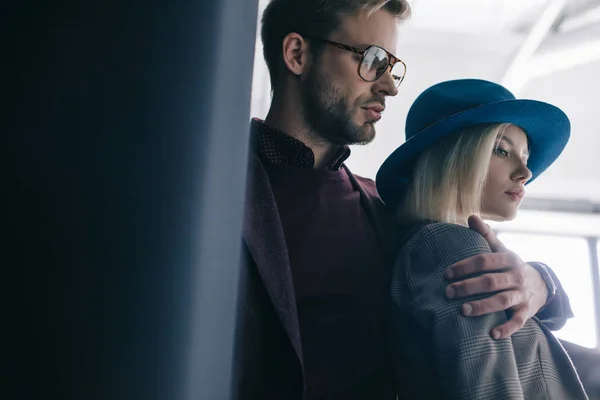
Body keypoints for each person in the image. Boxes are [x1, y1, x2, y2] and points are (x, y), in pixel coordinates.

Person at [234, 1, 574, 399]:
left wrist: (540, 282)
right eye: (373, 60)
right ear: (297, 54)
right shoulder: (208, 193)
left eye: (392, 67)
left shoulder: (389, 213)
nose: (390, 85)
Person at [376, 78, 588, 399]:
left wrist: (544, 282)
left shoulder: (442, 246)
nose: (525, 173)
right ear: (454, 157)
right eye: (501, 150)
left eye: (526, 157)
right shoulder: (449, 245)